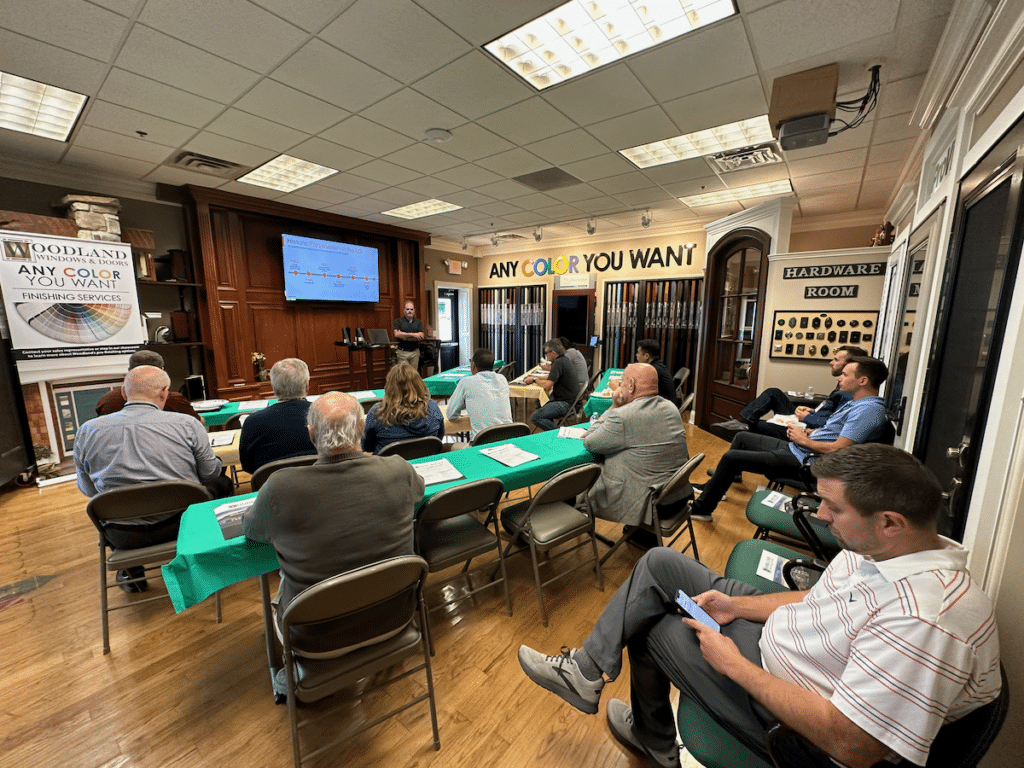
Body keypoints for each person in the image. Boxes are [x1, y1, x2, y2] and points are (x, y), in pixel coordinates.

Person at [518, 444, 1000, 768]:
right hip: (784, 641)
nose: (820, 515)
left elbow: (853, 745)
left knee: (650, 627)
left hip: (792, 716)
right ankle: (586, 671)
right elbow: (819, 599)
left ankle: (654, 741)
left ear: (891, 521)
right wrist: (735, 607)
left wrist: (734, 667)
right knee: (662, 563)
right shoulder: (887, 547)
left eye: (833, 508)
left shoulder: (925, 621)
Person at [242, 391, 425, 657]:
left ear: (311, 434)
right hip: (396, 615)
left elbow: (253, 531)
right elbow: (418, 493)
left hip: (313, 637)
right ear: (362, 427)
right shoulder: (400, 469)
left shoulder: (280, 486)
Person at [74, 365, 230, 592]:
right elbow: (210, 473)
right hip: (183, 525)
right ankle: (211, 561)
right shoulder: (187, 425)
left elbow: (88, 490)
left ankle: (133, 573)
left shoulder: (86, 431)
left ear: (124, 393)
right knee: (221, 482)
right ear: (165, 392)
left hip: (122, 535)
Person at [689, 356, 889, 523]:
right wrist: (811, 434)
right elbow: (837, 433)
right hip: (801, 449)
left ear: (862, 381)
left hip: (809, 462)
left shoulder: (869, 411)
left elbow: (839, 450)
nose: (840, 378)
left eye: (845, 374)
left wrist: (804, 440)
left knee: (732, 458)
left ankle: (701, 509)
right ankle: (717, 485)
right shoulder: (858, 403)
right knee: (742, 437)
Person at [581, 363, 689, 527]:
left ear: (631, 385)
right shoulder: (670, 407)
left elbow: (590, 442)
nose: (620, 387)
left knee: (580, 476)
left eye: (622, 383)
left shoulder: (622, 416)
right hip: (677, 495)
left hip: (650, 505)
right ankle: (639, 534)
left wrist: (613, 406)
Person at [712, 345, 868, 441]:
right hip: (811, 417)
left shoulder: (850, 392)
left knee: (752, 427)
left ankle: (741, 425)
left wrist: (808, 417)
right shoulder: (844, 385)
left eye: (835, 360)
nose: (831, 362)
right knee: (773, 393)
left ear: (850, 364)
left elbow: (831, 426)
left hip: (807, 427)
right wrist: (813, 411)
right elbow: (829, 413)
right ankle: (742, 421)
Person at [238, 358, 316, 473]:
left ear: (273, 387)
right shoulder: (324, 415)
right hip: (319, 486)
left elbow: (247, 466)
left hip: (271, 488)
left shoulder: (253, 422)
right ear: (307, 386)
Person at [95, 349, 202, 421]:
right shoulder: (174, 400)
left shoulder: (107, 401)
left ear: (129, 371)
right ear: (162, 371)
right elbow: (197, 423)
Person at [362, 362, 445, 454]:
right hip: (425, 463)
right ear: (419, 384)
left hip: (389, 466)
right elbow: (439, 438)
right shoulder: (432, 406)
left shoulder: (377, 411)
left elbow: (366, 446)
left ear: (389, 387)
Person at [445, 348, 513, 441]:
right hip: (508, 438)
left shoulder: (466, 382)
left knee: (445, 447)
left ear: (473, 366)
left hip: (482, 443)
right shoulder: (502, 379)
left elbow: (450, 414)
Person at [524, 338, 584, 431]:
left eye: (546, 353)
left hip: (565, 404)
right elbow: (551, 376)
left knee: (535, 417)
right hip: (572, 402)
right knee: (541, 403)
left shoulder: (558, 363)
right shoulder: (564, 360)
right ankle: (551, 435)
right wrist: (534, 377)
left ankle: (558, 433)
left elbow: (548, 385)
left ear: (553, 352)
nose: (546, 355)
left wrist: (535, 380)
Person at [636, 339, 680, 406]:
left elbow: (638, 390)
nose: (637, 355)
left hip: (664, 409)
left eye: (638, 353)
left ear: (646, 356)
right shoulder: (658, 366)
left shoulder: (653, 370)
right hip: (666, 405)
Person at [393, 300, 424, 370]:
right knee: (404, 376)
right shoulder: (398, 321)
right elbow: (397, 334)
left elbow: (421, 335)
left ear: (414, 311)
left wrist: (404, 336)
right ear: (404, 310)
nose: (409, 311)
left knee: (413, 375)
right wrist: (414, 335)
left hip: (415, 353)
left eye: (411, 309)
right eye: (407, 309)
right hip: (402, 353)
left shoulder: (418, 322)